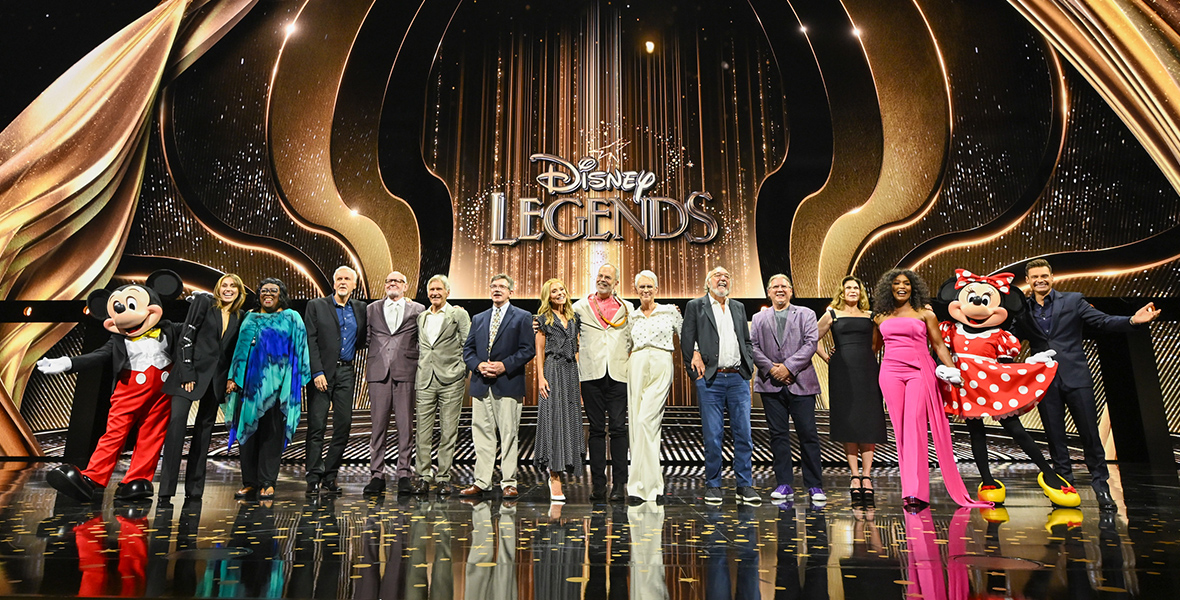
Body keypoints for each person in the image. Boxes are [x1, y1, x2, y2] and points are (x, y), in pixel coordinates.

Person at [1015, 258, 1161, 509]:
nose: (1040, 280)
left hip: (1076, 377)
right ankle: (1064, 487)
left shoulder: (1073, 301)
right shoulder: (1022, 311)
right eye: (1035, 277)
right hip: (1044, 382)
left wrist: (1132, 321)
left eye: (1044, 276)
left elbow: (1102, 321)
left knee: (1090, 436)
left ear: (1052, 277)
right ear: (1028, 281)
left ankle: (1101, 487)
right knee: (1055, 437)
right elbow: (1010, 338)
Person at [872, 269, 989, 511]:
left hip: (918, 370)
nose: (902, 287)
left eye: (906, 283)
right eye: (897, 283)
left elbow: (938, 344)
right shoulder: (879, 316)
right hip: (890, 373)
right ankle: (909, 491)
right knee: (900, 429)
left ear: (913, 287)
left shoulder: (925, 313)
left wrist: (953, 370)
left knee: (914, 425)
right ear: (889, 287)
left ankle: (916, 492)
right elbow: (872, 350)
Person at [158, 273, 245, 500]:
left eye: (233, 286)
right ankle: (166, 490)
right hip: (187, 375)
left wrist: (231, 379)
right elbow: (187, 336)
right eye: (224, 285)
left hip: (215, 380)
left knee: (203, 434)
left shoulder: (239, 316)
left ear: (239, 291)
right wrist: (187, 373)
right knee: (176, 429)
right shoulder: (204, 302)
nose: (228, 289)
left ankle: (194, 491)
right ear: (218, 289)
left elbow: (233, 352)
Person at [225, 277, 311, 500]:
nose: (268, 294)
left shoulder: (292, 317)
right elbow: (240, 350)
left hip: (278, 387)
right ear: (259, 294)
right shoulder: (250, 317)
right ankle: (250, 483)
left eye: (274, 290)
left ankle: (267, 482)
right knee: (248, 433)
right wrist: (234, 377)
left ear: (281, 293)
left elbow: (301, 349)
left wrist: (293, 382)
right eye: (264, 291)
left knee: (271, 435)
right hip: (249, 387)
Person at [681, 266, 759, 505]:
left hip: (737, 378)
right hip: (711, 380)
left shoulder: (738, 307)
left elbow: (746, 340)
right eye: (718, 275)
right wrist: (695, 372)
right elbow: (687, 339)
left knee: (744, 434)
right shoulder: (696, 306)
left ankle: (744, 485)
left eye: (727, 276)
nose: (723, 279)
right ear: (708, 282)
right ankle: (713, 485)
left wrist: (748, 365)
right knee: (713, 435)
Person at [751, 274, 825, 503]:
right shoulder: (758, 317)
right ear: (769, 292)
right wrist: (773, 370)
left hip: (801, 383)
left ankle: (815, 486)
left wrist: (788, 368)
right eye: (775, 287)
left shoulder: (806, 314)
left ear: (791, 291)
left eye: (784, 286)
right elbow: (752, 346)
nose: (780, 290)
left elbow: (811, 343)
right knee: (778, 435)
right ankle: (784, 484)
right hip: (770, 385)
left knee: (808, 435)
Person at [460, 274, 536, 498]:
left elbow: (527, 349)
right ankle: (482, 481)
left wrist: (504, 366)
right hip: (481, 384)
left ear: (511, 291)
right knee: (482, 434)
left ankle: (508, 482)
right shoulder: (479, 318)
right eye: (494, 286)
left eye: (502, 286)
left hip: (508, 383)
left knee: (509, 433)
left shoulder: (522, 317)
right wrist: (478, 365)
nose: (497, 290)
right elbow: (468, 350)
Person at [815, 276, 886, 502]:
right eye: (848, 288)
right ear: (842, 291)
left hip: (867, 370)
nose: (853, 291)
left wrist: (865, 356)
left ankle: (867, 476)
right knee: (849, 420)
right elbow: (812, 337)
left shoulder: (870, 316)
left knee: (868, 421)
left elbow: (878, 342)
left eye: (856, 288)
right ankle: (854, 475)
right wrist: (827, 357)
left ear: (861, 292)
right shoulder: (832, 314)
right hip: (842, 372)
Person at [303, 266, 368, 495]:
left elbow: (365, 337)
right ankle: (313, 477)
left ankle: (329, 476)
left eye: (347, 279)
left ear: (354, 284)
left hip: (346, 373)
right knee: (317, 427)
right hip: (321, 374)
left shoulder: (360, 308)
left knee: (344, 426)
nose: (342, 281)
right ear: (333, 283)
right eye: (339, 278)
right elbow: (309, 340)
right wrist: (317, 372)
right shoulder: (316, 305)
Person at [571, 263, 634, 501]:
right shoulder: (580, 306)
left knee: (618, 429)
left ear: (616, 282)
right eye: (600, 276)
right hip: (591, 374)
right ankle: (598, 485)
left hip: (618, 374)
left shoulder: (627, 308)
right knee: (596, 430)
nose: (603, 279)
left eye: (608, 277)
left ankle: (619, 485)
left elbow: (632, 338)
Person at [364, 270, 425, 495]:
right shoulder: (371, 309)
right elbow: (367, 337)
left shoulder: (418, 310)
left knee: (405, 426)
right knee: (378, 426)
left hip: (406, 371)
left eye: (397, 281)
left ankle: (404, 474)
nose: (393, 284)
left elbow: (423, 337)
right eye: (389, 280)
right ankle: (376, 474)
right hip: (378, 372)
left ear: (405, 286)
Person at [625, 270, 681, 504]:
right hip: (636, 364)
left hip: (660, 362)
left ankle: (646, 484)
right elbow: (626, 344)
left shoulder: (670, 311)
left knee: (645, 421)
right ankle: (645, 485)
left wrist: (696, 355)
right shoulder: (632, 316)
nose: (646, 291)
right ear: (636, 290)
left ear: (656, 289)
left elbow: (687, 336)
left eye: (650, 287)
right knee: (638, 425)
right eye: (641, 287)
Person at [413, 274, 471, 496]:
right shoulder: (422, 317)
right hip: (425, 379)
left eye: (439, 289)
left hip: (451, 380)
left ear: (448, 292)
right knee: (423, 432)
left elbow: (468, 343)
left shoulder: (458, 314)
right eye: (431, 289)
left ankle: (444, 477)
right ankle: (423, 476)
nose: (435, 293)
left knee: (448, 430)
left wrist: (461, 369)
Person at [533, 278, 585, 502]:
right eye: (554, 291)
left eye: (561, 289)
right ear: (548, 296)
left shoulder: (574, 318)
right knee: (553, 420)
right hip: (553, 371)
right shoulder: (543, 320)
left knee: (570, 420)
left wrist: (580, 381)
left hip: (571, 372)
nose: (559, 293)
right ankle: (554, 477)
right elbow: (540, 350)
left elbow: (577, 350)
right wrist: (541, 378)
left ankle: (566, 467)